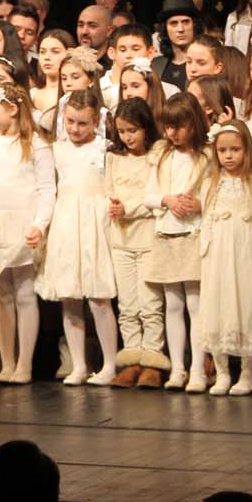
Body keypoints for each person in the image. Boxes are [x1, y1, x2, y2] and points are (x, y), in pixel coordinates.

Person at [0, 83, 55, 385]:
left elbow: (47, 189)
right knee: (1, 294)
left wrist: (39, 224)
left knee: (25, 293)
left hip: (23, 225)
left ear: (13, 110)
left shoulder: (36, 145)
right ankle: (6, 362)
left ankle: (25, 365)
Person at [36, 88, 118, 386]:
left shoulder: (104, 148)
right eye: (70, 121)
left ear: (96, 121)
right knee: (69, 297)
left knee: (98, 298)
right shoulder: (56, 149)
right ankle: (79, 365)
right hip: (66, 222)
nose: (75, 128)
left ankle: (109, 365)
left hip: (95, 222)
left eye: (82, 123)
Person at [198, 120, 252, 396]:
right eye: (222, 150)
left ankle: (247, 373)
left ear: (246, 150)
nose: (228, 156)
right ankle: (222, 372)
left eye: (235, 150)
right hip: (218, 254)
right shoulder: (210, 184)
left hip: (245, 254)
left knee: (246, 303)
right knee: (217, 305)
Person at [143, 93, 210, 392]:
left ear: (193, 123)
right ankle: (178, 368)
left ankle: (198, 369)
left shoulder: (207, 156)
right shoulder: (163, 155)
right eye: (168, 126)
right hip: (167, 234)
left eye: (179, 126)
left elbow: (215, 193)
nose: (172, 133)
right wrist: (166, 200)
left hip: (194, 235)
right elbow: (148, 196)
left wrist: (200, 204)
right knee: (173, 304)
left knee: (195, 305)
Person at [105, 98, 167, 389]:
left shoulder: (157, 155)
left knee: (150, 305)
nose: (128, 137)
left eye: (133, 130)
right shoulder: (113, 158)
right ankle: (131, 360)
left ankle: (152, 361)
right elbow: (108, 190)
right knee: (128, 305)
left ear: (146, 128)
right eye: (122, 131)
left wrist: (127, 208)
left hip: (149, 238)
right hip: (121, 239)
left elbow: (154, 197)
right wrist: (114, 206)